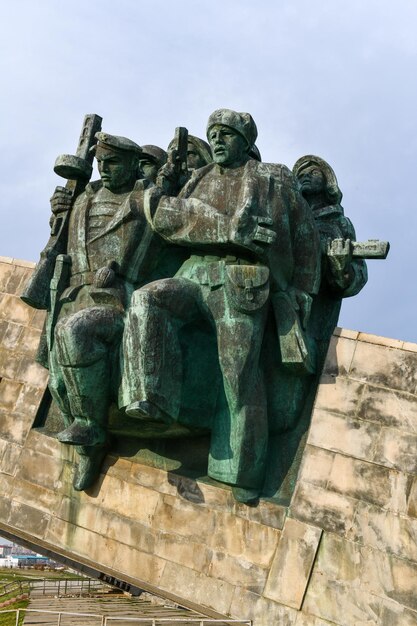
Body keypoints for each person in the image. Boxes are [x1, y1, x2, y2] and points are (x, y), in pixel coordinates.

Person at [120, 109, 320, 503]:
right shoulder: (199, 178)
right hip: (195, 274)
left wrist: (302, 289)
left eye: (226, 134)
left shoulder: (271, 177)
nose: (217, 140)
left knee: (238, 376)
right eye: (213, 133)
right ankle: (150, 398)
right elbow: (167, 219)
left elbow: (306, 236)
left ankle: (242, 472)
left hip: (241, 283)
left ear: (245, 140)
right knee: (147, 300)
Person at [46, 132, 181, 491]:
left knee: (77, 333)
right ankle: (90, 444)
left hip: (117, 301)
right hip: (71, 296)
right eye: (101, 163)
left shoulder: (146, 199)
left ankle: (90, 427)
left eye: (113, 163)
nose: (104, 170)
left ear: (134, 165)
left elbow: (178, 232)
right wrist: (59, 210)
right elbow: (68, 238)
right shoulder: (85, 197)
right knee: (59, 381)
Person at [293, 154, 368, 367]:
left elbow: (358, 274)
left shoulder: (340, 223)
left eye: (313, 171)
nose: (306, 176)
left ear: (328, 181)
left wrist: (341, 268)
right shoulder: (287, 218)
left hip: (317, 314)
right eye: (301, 174)